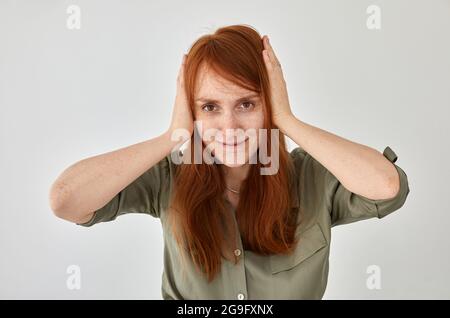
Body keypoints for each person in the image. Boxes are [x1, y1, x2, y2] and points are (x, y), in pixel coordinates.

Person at [49, 24, 410, 299]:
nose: (229, 127)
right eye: (210, 107)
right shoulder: (169, 176)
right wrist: (172, 136)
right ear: (191, 111)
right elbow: (66, 200)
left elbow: (387, 186)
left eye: (247, 104)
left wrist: (287, 120)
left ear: (269, 102)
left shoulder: (311, 175)